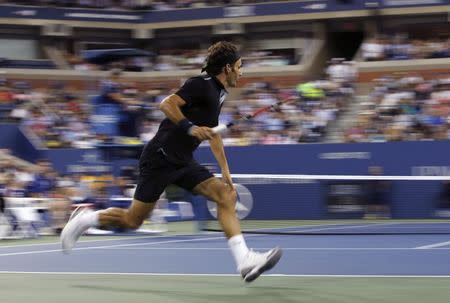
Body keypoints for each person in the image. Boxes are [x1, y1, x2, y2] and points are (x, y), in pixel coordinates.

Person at [61, 41, 282, 282]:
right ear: (227, 68)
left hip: (183, 161)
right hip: (159, 158)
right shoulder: (200, 84)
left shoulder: (219, 93)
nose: (242, 72)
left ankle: (244, 261)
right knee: (132, 220)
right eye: (240, 67)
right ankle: (84, 219)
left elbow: (213, 133)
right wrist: (190, 128)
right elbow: (167, 104)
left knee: (225, 195)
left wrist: (225, 171)